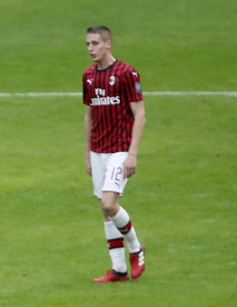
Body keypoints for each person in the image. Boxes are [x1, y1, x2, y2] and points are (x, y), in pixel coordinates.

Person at [83, 25, 147, 282]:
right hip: (97, 151)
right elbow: (88, 115)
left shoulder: (126, 73)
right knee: (104, 208)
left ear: (108, 44)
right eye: (88, 44)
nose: (90, 49)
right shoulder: (88, 75)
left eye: (95, 43)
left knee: (109, 203)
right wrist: (87, 155)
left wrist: (133, 154)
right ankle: (118, 269)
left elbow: (140, 114)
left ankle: (136, 247)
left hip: (120, 149)